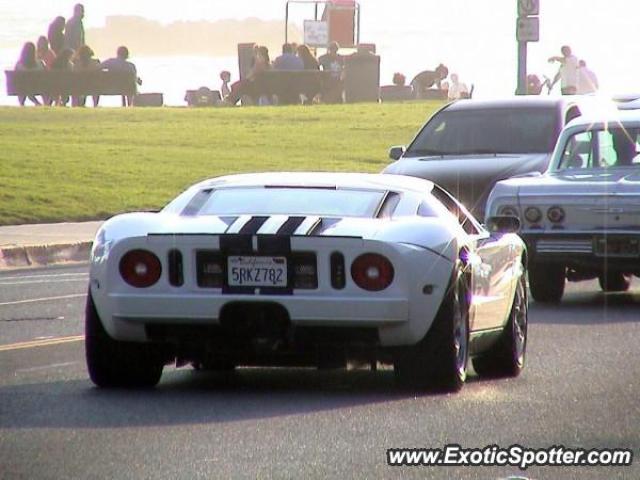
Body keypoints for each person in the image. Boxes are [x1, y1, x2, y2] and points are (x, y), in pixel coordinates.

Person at [15, 42, 43, 106]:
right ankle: (38, 103)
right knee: (29, 88)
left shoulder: (19, 65)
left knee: (23, 86)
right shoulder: (39, 64)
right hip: (38, 87)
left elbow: (15, 79)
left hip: (22, 88)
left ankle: (22, 103)